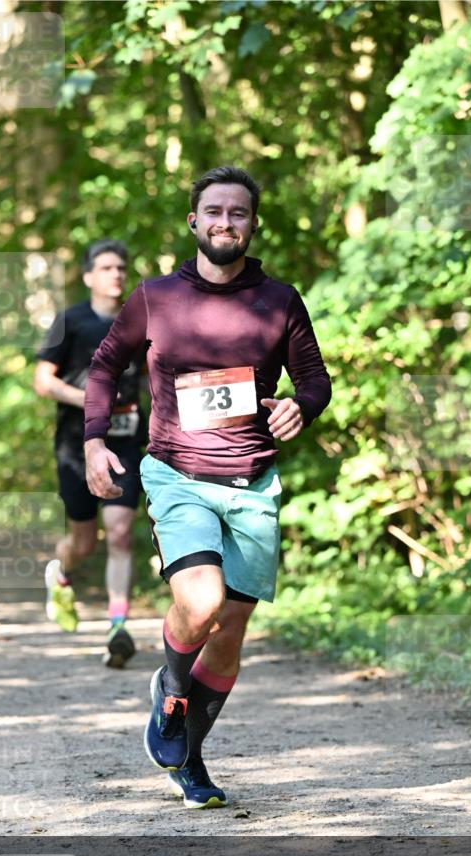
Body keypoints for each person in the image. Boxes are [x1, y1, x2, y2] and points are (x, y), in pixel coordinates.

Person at [84, 166, 331, 807]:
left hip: (252, 482)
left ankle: (190, 761)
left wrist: (300, 405)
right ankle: (169, 694)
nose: (226, 222)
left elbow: (315, 380)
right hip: (177, 473)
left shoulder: (279, 300)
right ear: (194, 221)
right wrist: (92, 441)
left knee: (228, 632)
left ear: (253, 223)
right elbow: (105, 366)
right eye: (214, 211)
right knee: (200, 604)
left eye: (239, 213)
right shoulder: (155, 297)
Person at [34, 239, 147, 668]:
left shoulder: (140, 319)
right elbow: (43, 380)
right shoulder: (71, 320)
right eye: (105, 268)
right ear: (88, 277)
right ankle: (60, 572)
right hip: (76, 446)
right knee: (84, 542)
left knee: (119, 533)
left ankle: (118, 626)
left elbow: (154, 377)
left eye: (120, 267)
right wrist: (89, 401)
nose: (115, 274)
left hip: (125, 442)